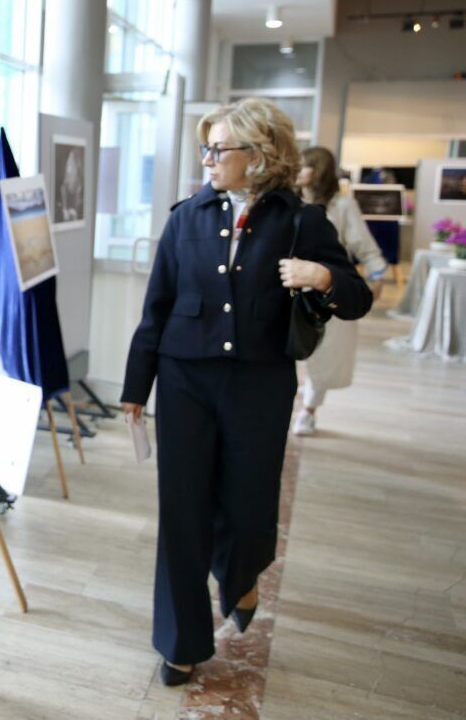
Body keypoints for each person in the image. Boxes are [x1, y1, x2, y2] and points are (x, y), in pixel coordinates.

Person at [121, 98, 372, 686]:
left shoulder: (301, 221)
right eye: (205, 149)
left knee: (248, 500)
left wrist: (323, 276)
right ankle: (179, 641)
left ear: (259, 155)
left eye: (219, 149)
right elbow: (155, 308)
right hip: (185, 380)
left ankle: (240, 572)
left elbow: (357, 298)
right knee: (182, 511)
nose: (207, 159)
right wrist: (138, 386)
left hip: (260, 382)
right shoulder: (186, 217)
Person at [294, 146, 388, 435]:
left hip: (328, 289)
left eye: (305, 166)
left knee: (324, 356)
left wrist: (377, 274)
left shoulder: (342, 206)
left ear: (318, 171)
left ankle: (308, 410)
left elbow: (363, 244)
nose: (299, 170)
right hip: (293, 290)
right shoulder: (288, 203)